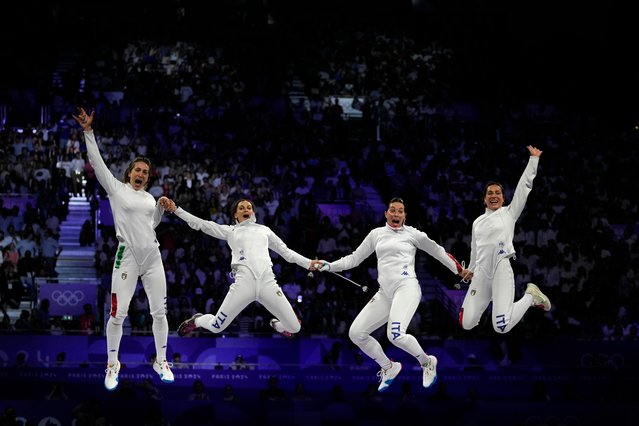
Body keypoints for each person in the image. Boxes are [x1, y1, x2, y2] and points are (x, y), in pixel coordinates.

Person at [316, 197, 469, 392]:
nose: (396, 214)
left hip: (407, 288)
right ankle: (389, 367)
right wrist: (330, 266)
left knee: (395, 335)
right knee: (356, 334)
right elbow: (354, 258)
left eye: (400, 211)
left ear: (405, 215)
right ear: (386, 213)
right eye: (393, 210)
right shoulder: (376, 234)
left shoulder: (414, 234)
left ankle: (427, 362)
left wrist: (459, 270)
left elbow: (438, 252)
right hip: (385, 293)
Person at [73, 108, 174, 391]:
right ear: (129, 173)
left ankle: (162, 361)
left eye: (145, 172)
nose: (141, 173)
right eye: (137, 170)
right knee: (118, 314)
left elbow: (151, 225)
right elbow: (97, 161)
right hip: (126, 256)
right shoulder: (117, 189)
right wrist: (88, 132)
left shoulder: (149, 198)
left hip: (152, 257)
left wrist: (160, 210)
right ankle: (112, 365)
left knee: (160, 313)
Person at [166, 198, 321, 338]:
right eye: (241, 208)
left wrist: (308, 263)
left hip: (268, 284)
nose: (246, 209)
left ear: (253, 212)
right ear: (235, 215)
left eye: (249, 207)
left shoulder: (264, 230)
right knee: (216, 327)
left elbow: (286, 252)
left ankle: (276, 325)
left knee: (295, 327)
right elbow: (202, 224)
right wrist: (176, 210)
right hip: (243, 285)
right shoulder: (231, 231)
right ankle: (198, 320)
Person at [458, 145, 551, 334]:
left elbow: (523, 189)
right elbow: (475, 252)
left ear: (503, 197)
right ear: (484, 199)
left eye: (497, 193)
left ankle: (530, 296)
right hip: (482, 274)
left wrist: (533, 161)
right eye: (490, 193)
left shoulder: (509, 213)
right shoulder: (477, 222)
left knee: (501, 327)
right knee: (466, 323)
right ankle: (493, 298)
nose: (494, 196)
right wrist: (470, 270)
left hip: (501, 268)